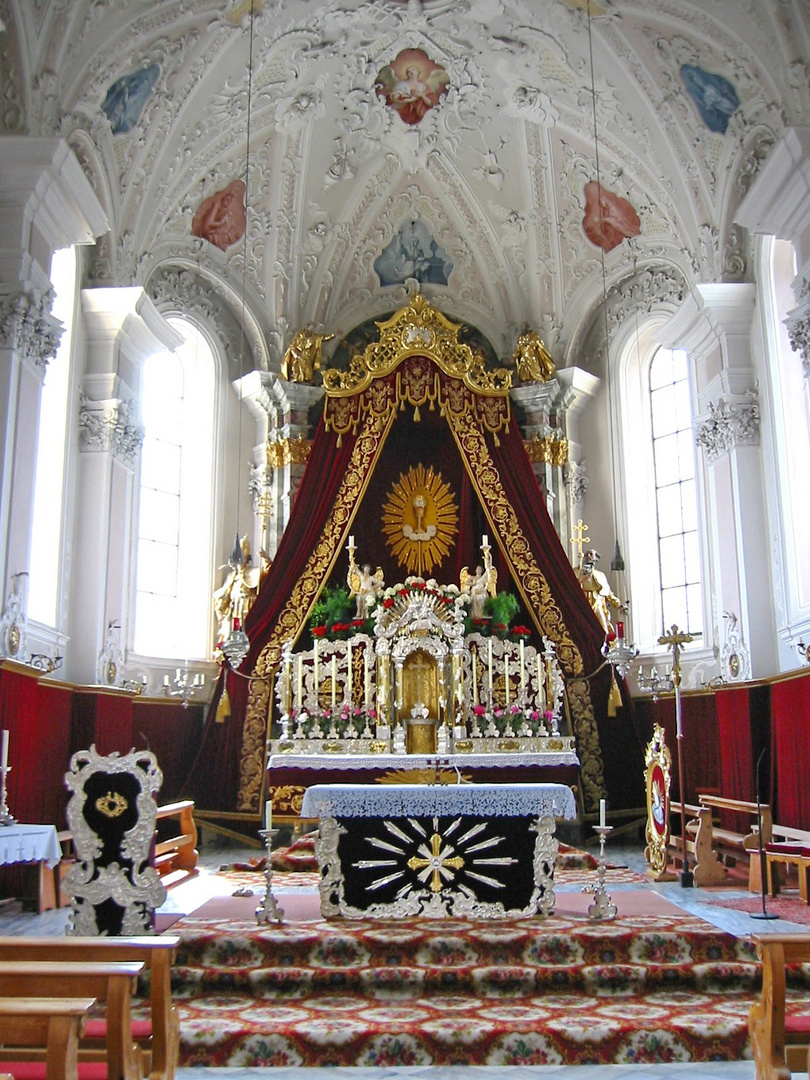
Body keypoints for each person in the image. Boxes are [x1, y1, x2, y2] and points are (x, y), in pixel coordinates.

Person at [576, 549, 625, 636]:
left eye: (591, 554)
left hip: (596, 605)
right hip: (581, 606)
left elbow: (608, 593)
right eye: (587, 554)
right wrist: (580, 580)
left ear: (596, 558)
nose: (588, 556)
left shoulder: (600, 575)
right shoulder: (575, 572)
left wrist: (619, 605)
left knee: (603, 630)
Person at [191, 180, 246, 251]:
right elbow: (210, 224)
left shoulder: (227, 214)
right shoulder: (220, 210)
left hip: (220, 235)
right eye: (226, 200)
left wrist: (217, 225)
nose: (227, 202)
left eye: (229, 201)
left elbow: (220, 224)